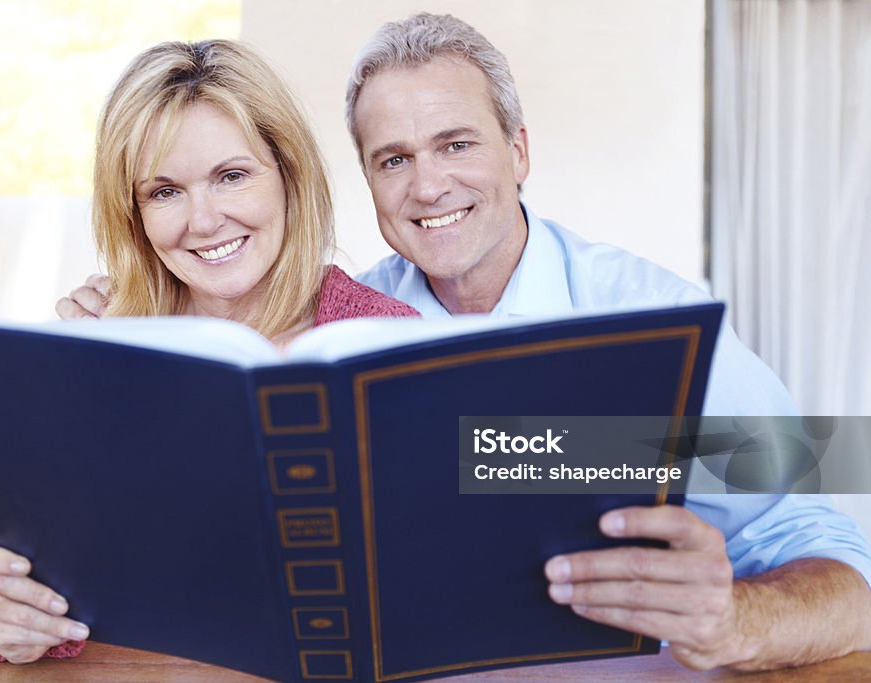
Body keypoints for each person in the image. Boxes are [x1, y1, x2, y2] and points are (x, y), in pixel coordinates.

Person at [59, 14, 871, 672]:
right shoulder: (350, 327)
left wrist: (733, 620)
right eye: (393, 159)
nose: (428, 185)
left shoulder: (652, 319)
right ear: (366, 182)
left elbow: (837, 557)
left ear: (518, 152)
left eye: (457, 143)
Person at [0, 39, 417, 666]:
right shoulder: (99, 349)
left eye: (231, 176)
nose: (202, 220)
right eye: (164, 191)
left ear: (288, 176)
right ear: (134, 214)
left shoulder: (391, 334)